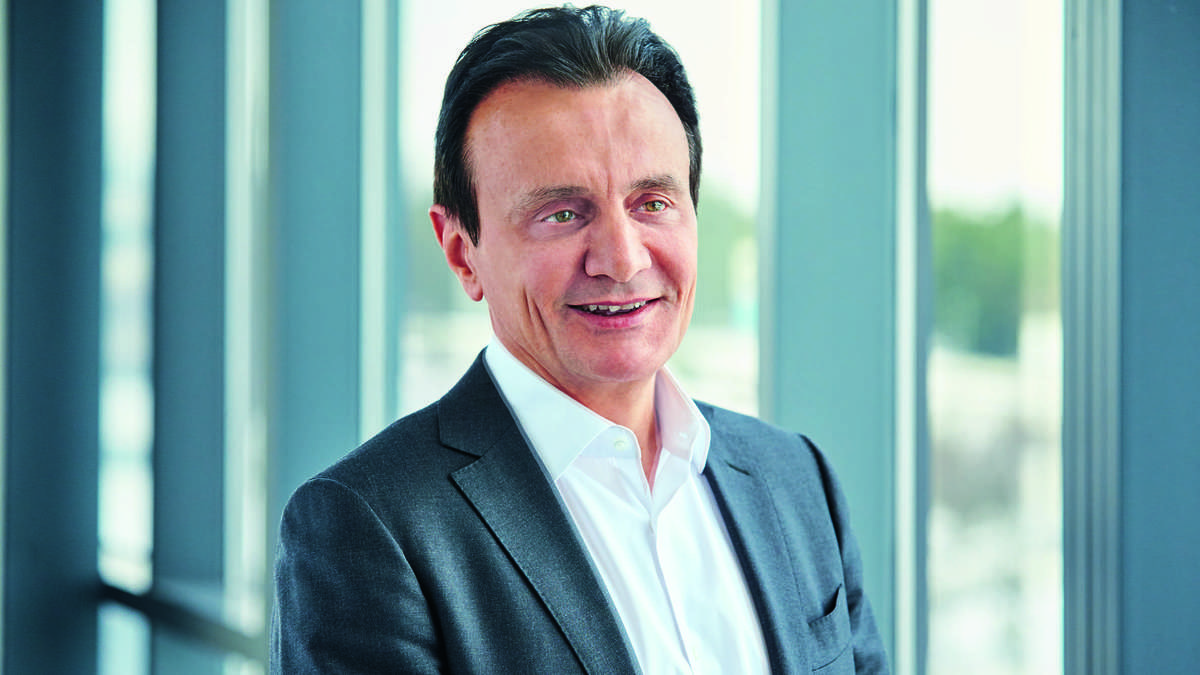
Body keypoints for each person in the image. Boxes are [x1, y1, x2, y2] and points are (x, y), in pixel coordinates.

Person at [271, 5, 889, 674]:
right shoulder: (368, 527)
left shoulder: (795, 478)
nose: (621, 259)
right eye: (562, 213)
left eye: (653, 203)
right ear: (461, 252)